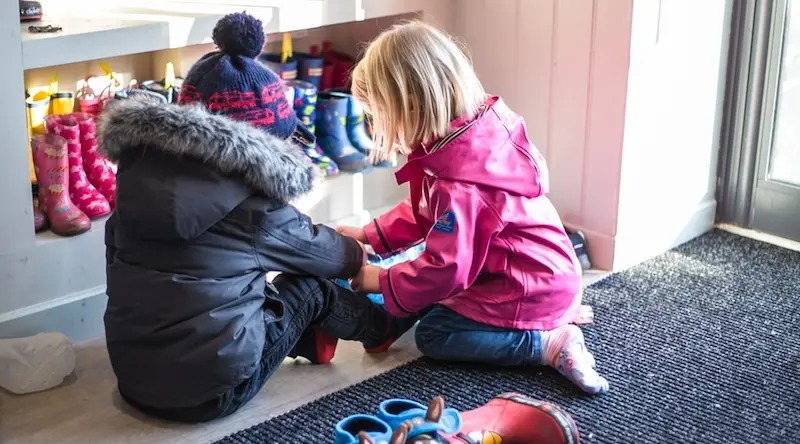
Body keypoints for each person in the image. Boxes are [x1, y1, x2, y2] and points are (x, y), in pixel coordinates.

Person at [100, 12, 403, 423]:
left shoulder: (136, 183)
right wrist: (355, 250)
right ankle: (382, 328)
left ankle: (310, 341)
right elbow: (328, 257)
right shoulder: (255, 208)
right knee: (312, 287)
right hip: (215, 392)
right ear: (262, 146)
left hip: (133, 377)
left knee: (235, 289)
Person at [340, 21, 609, 394]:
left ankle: (546, 342)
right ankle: (545, 319)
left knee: (435, 333)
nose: (377, 126)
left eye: (379, 115)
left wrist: (381, 279)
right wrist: (370, 236)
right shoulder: (467, 140)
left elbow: (447, 270)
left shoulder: (461, 184)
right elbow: (425, 211)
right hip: (537, 274)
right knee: (425, 265)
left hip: (525, 288)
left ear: (412, 106)